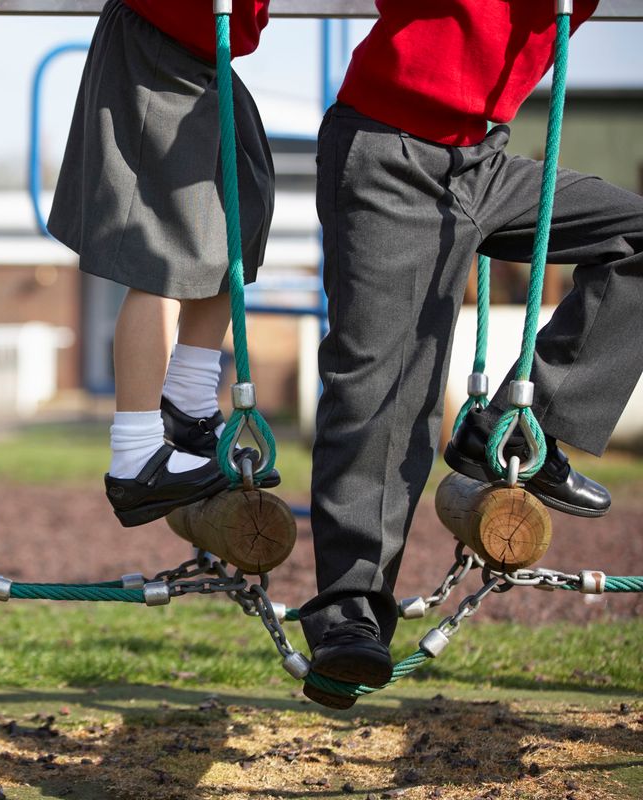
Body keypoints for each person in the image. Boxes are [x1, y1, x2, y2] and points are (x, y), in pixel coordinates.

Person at [301, 0, 642, 709]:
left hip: (480, 161)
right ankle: (349, 617)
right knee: (386, 387)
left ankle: (523, 425)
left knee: (636, 236)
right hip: (390, 146)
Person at [49, 0, 277, 527]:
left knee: (239, 209)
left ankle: (189, 397)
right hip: (159, 35)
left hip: (207, 48)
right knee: (161, 247)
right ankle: (135, 455)